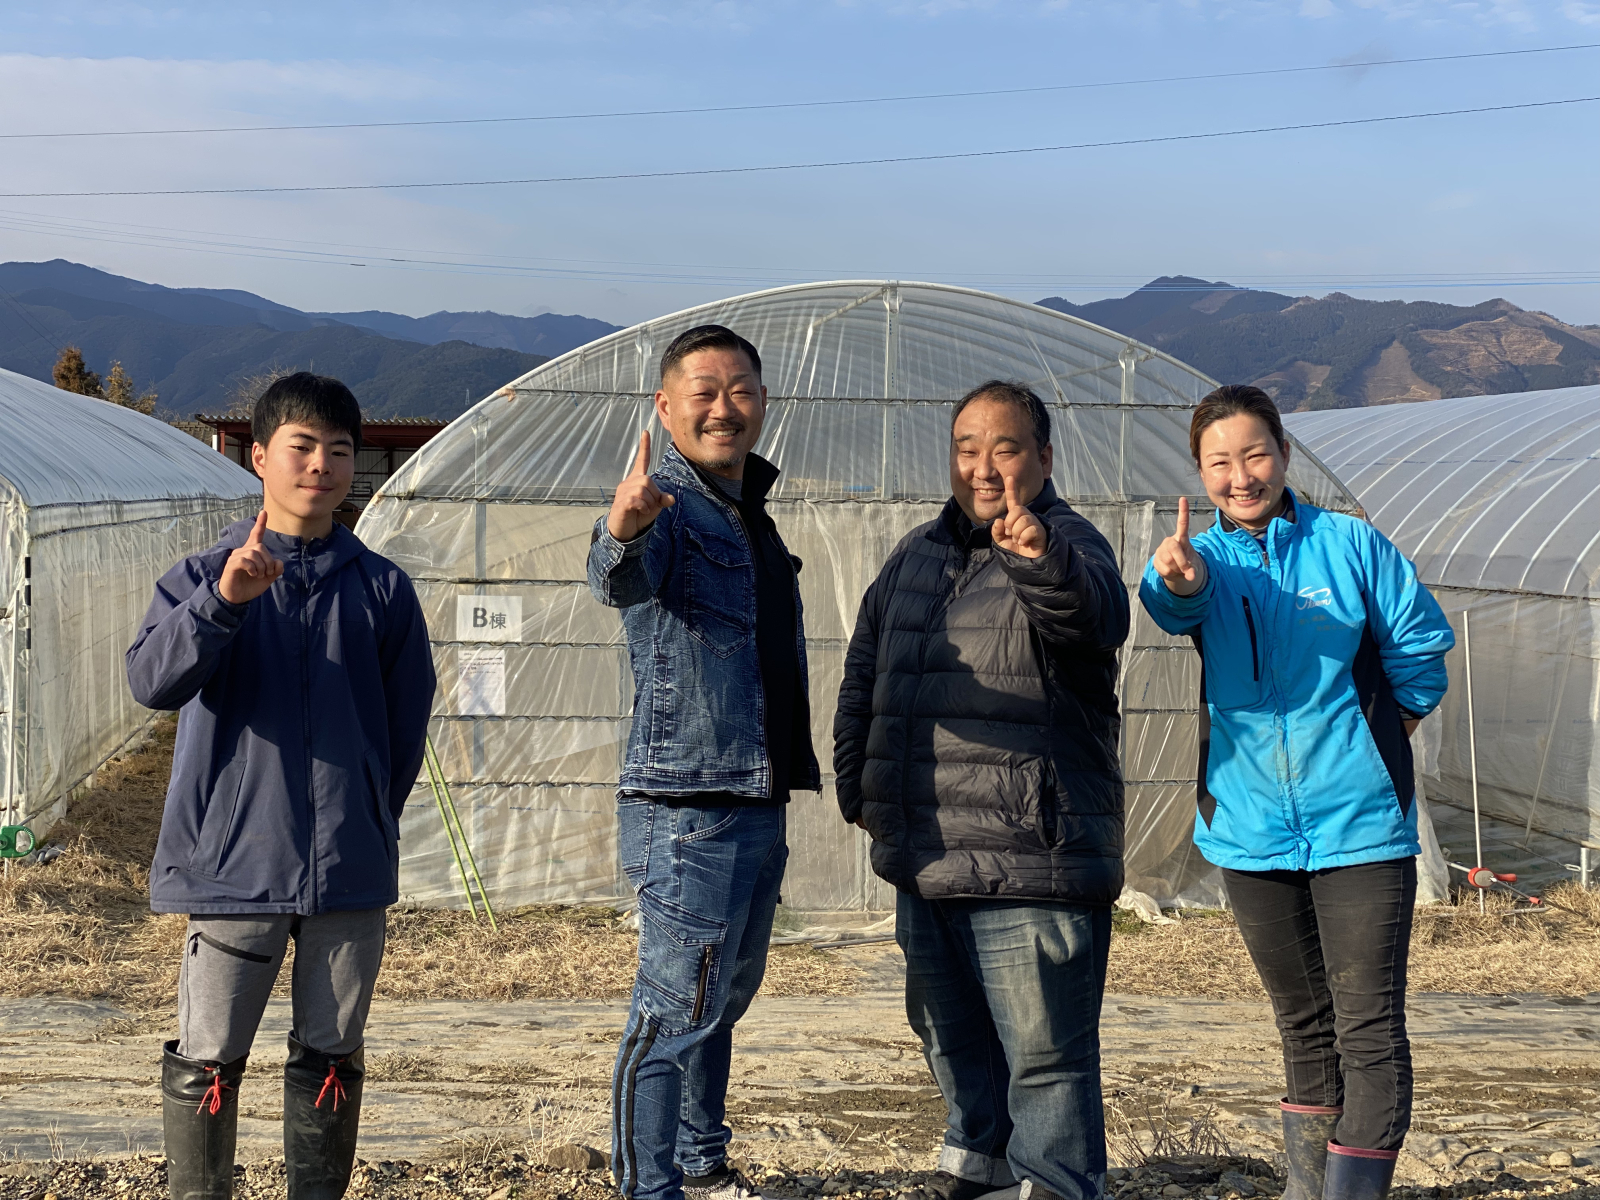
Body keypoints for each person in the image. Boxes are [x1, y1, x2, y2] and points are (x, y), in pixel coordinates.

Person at [1138, 385, 1454, 1200]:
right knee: (1304, 1025)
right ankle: (1307, 1188)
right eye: (1219, 462)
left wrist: (1384, 739)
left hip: (1360, 824)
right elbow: (1173, 602)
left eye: (1255, 454)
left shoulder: (1348, 544)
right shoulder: (1206, 561)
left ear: (1283, 453)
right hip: (1249, 828)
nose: (1240, 476)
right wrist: (1175, 578)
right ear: (1200, 472)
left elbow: (1419, 646)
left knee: (1368, 1030)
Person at [126, 373, 435, 1200]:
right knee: (209, 1057)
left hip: (348, 873)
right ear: (260, 457)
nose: (321, 465)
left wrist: (365, 818)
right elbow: (152, 683)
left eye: (339, 450)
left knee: (332, 1055)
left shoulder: (381, 589)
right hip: (233, 869)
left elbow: (403, 732)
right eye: (301, 447)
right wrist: (225, 601)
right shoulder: (204, 574)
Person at [834, 381, 1130, 1200]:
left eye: (1005, 448)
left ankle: (1056, 1184)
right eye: (967, 448)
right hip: (926, 849)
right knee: (947, 1033)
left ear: (1043, 457)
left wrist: (1038, 559)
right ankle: (979, 1170)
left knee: (1045, 1053)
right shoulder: (916, 555)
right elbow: (865, 674)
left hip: (1030, 852)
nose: (983, 466)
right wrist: (860, 785)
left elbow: (1094, 618)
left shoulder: (1070, 545)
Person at [587, 324, 819, 1200]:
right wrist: (621, 528)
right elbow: (616, 576)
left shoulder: (746, 511)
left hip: (753, 794)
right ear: (665, 405)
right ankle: (647, 1188)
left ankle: (700, 1159)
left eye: (741, 390)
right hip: (689, 806)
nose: (726, 408)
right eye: (705, 392)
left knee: (716, 1001)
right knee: (672, 1010)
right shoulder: (670, 507)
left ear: (763, 400)